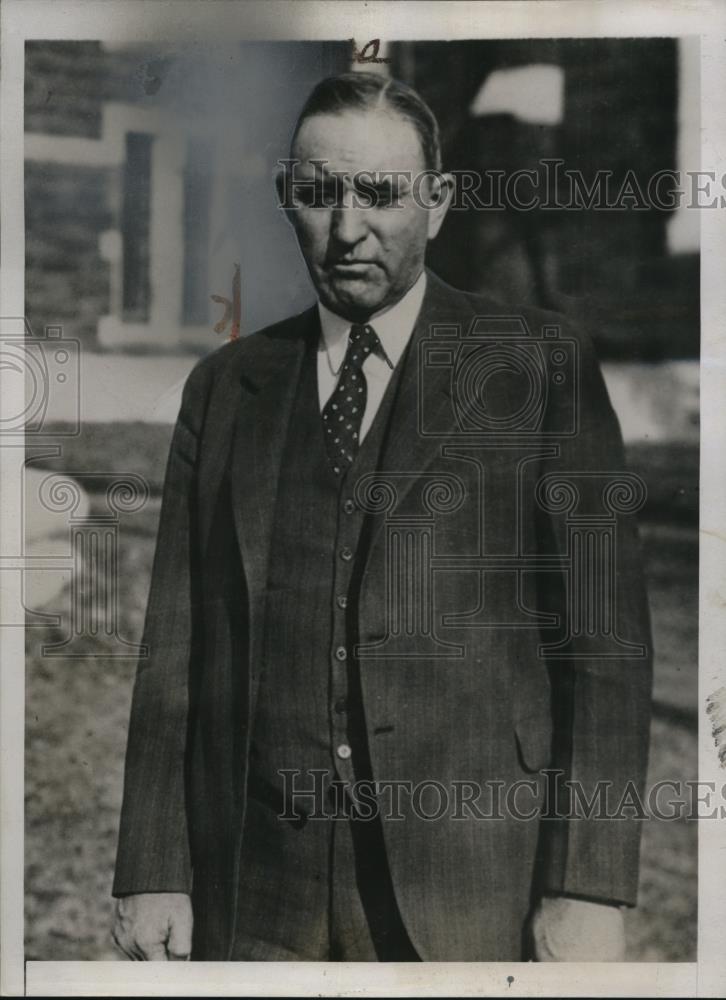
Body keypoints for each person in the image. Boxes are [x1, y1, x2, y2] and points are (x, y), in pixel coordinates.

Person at [112, 72, 652, 962]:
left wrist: (585, 885)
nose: (348, 226)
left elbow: (606, 651)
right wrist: (152, 867)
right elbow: (175, 648)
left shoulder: (539, 370)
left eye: (381, 193)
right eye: (320, 193)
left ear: (437, 203)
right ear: (288, 198)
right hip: (255, 898)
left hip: (470, 888)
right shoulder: (227, 391)